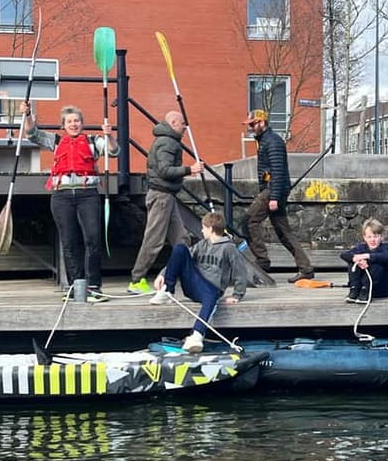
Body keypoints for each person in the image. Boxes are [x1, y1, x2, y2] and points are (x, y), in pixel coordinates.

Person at [21, 101, 118, 303]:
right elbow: (32, 134)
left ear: (82, 123)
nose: (73, 124)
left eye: (77, 121)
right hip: (62, 196)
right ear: (63, 125)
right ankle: (75, 285)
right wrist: (28, 114)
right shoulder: (55, 142)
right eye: (69, 121)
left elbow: (113, 151)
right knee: (69, 242)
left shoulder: (93, 141)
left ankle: (93, 286)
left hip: (87, 194)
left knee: (92, 239)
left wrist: (109, 135)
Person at [127, 111, 203, 295]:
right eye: (182, 123)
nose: (185, 127)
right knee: (154, 240)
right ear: (174, 122)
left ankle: (174, 275)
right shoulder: (167, 142)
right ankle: (137, 280)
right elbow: (165, 170)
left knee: (182, 239)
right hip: (161, 196)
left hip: (167, 196)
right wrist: (190, 169)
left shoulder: (168, 141)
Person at [150, 211, 246, 353]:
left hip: (211, 289)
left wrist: (237, 295)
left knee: (211, 298)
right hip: (194, 284)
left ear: (211, 229)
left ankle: (196, 335)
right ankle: (167, 290)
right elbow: (182, 258)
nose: (201, 230)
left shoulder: (229, 248)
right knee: (180, 249)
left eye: (204, 227)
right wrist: (162, 274)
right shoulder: (201, 245)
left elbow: (240, 271)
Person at [243, 109, 314, 283]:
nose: (250, 128)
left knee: (249, 220)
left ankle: (262, 262)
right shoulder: (265, 140)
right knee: (283, 231)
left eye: (252, 124)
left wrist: (273, 197)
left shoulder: (272, 142)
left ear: (262, 123)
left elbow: (278, 171)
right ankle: (306, 268)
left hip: (274, 190)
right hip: (274, 189)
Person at [340, 218, 388, 304]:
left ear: (381, 237)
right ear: (365, 237)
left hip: (381, 288)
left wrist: (367, 256)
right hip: (360, 287)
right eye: (369, 237)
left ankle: (366, 289)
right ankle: (354, 289)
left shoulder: (386, 247)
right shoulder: (361, 247)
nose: (372, 240)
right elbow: (344, 255)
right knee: (354, 261)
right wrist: (357, 259)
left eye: (376, 236)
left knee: (378, 262)